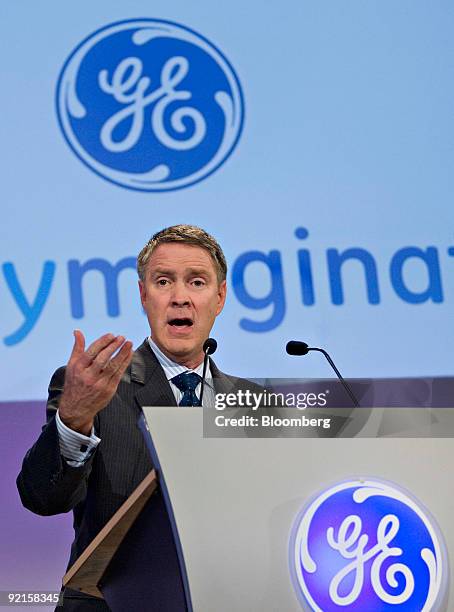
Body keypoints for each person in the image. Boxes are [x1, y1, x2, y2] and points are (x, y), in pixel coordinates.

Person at [17, 225, 257, 611]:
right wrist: (73, 420)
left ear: (221, 296)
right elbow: (42, 497)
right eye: (164, 282)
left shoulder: (254, 403)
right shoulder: (95, 390)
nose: (180, 298)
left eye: (197, 282)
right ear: (144, 295)